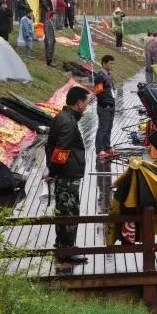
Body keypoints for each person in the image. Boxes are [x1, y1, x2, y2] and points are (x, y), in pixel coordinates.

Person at [45, 86, 90, 264]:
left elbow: (50, 146)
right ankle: (67, 252)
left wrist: (52, 170)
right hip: (67, 176)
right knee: (70, 213)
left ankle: (62, 247)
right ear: (79, 103)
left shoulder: (62, 117)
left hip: (63, 174)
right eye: (86, 102)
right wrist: (54, 172)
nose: (87, 106)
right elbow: (60, 151)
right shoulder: (69, 122)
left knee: (62, 211)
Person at [94, 55, 116, 160]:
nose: (112, 65)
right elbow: (98, 92)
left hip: (111, 105)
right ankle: (99, 150)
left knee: (109, 128)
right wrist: (105, 104)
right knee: (102, 128)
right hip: (104, 106)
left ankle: (107, 147)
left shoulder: (108, 75)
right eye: (111, 63)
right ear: (104, 63)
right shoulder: (100, 76)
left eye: (113, 63)